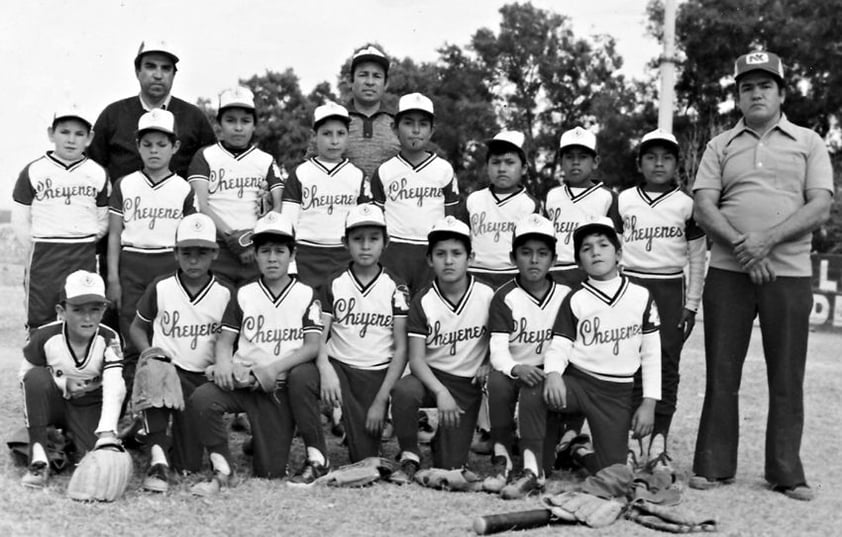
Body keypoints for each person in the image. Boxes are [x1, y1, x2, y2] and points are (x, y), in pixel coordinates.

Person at [689, 51, 832, 502]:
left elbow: (820, 205)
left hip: (787, 272)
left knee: (787, 374)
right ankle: (713, 465)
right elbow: (704, 206)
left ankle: (786, 472)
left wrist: (765, 241)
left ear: (782, 93)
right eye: (747, 87)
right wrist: (744, 247)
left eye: (765, 85)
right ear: (738, 96)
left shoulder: (809, 142)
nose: (756, 93)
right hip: (729, 271)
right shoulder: (720, 145)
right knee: (721, 372)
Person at [189, 212, 327, 496]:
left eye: (280, 251)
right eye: (265, 251)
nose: (272, 258)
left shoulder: (306, 293)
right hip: (244, 382)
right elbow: (226, 340)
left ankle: (300, 451)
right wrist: (224, 363)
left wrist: (273, 369)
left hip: (278, 387)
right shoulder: (244, 293)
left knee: (270, 472)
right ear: (256, 254)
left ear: (293, 254)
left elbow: (312, 346)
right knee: (202, 399)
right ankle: (222, 466)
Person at [541, 217, 661, 475]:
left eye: (603, 245)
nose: (595, 252)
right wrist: (552, 374)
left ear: (618, 254)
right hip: (580, 382)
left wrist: (649, 403)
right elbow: (559, 345)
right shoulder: (576, 299)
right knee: (536, 391)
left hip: (616, 393)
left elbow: (651, 354)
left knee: (614, 473)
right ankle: (538, 462)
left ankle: (577, 452)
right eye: (586, 248)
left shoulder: (641, 296)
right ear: (578, 261)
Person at [618, 129, 706, 469]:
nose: (658, 163)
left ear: (676, 163)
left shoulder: (686, 205)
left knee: (666, 366)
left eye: (666, 157)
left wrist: (692, 304)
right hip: (630, 287)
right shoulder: (623, 200)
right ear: (639, 163)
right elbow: (610, 250)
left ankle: (658, 441)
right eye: (651, 157)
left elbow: (697, 258)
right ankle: (625, 440)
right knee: (627, 363)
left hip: (670, 289)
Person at [128, 213, 233, 491]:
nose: (194, 260)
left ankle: (144, 434)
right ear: (175, 253)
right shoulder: (162, 286)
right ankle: (157, 459)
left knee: (188, 466)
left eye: (202, 252)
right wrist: (149, 352)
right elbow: (137, 328)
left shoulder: (224, 293)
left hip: (202, 380)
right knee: (154, 369)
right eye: (187, 252)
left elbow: (232, 340)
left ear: (215, 253)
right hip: (167, 372)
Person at [389, 217, 493, 483]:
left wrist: (488, 363)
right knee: (404, 390)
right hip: (431, 378)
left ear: (470, 257)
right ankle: (410, 454)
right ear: (429, 260)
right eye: (441, 254)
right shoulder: (423, 300)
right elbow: (417, 359)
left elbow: (501, 341)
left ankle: (442, 444)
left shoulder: (487, 295)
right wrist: (440, 391)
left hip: (466, 384)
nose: (449, 261)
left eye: (456, 254)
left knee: (450, 467)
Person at [483, 214, 571, 499]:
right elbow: (497, 351)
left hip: (552, 375)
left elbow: (571, 348)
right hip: (515, 371)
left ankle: (552, 451)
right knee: (496, 381)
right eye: (526, 252)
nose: (534, 260)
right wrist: (515, 368)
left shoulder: (568, 296)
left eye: (542, 253)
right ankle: (503, 454)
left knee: (546, 461)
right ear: (513, 257)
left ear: (554, 260)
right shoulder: (504, 296)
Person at [107, 109, 196, 381]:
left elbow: (190, 237)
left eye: (161, 144)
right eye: (147, 144)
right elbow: (113, 234)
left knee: (166, 330)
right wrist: (112, 277)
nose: (154, 151)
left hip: (168, 263)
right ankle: (136, 405)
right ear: (137, 146)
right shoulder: (125, 185)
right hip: (132, 262)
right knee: (132, 334)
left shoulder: (183, 188)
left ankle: (169, 395)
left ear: (175, 147)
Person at [317, 204, 410, 462]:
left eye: (373, 239)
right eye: (357, 239)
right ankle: (314, 455)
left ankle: (358, 428)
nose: (366, 246)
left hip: (376, 372)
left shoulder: (396, 286)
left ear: (386, 242)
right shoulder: (334, 282)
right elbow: (319, 336)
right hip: (340, 368)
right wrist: (325, 370)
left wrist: (382, 400)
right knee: (303, 378)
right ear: (345, 242)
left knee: (365, 457)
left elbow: (402, 349)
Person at [18, 270, 125, 488]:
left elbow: (115, 384)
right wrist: (62, 383)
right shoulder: (45, 336)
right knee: (36, 377)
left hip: (88, 405)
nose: (87, 318)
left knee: (90, 458)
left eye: (95, 309)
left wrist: (106, 432)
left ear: (104, 309)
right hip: (55, 402)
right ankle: (39, 457)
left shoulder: (109, 338)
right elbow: (24, 377)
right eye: (77, 310)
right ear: (61, 311)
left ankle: (64, 439)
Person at [11, 106, 109, 332]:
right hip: (45, 254)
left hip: (82, 252)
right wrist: (37, 243)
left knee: (82, 312)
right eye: (64, 132)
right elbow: (20, 219)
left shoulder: (96, 173)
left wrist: (85, 237)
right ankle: (36, 364)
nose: (71, 140)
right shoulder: (34, 170)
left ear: (89, 138)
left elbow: (102, 219)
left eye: (79, 134)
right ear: (51, 134)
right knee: (41, 315)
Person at [188, 86, 284, 286]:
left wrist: (251, 239)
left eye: (245, 121)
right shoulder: (205, 156)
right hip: (217, 250)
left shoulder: (265, 159)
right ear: (219, 124)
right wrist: (233, 238)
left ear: (254, 125)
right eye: (231, 120)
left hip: (254, 251)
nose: (238, 128)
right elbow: (201, 205)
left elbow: (278, 206)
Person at [371, 93, 461, 296]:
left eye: (423, 124)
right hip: (394, 251)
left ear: (432, 130)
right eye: (408, 123)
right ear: (395, 128)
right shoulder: (385, 171)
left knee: (429, 308)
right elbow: (376, 221)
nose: (416, 130)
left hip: (431, 252)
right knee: (394, 309)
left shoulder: (444, 170)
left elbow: (450, 219)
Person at [89, 39, 216, 181]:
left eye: (166, 68)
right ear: (137, 71)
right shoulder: (113, 114)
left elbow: (213, 165)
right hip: (123, 202)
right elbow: (91, 167)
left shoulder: (194, 117)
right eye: (150, 67)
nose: (158, 75)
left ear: (174, 74)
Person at [282, 102, 366, 289]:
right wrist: (291, 263)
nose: (334, 141)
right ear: (314, 136)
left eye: (340, 134)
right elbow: (288, 222)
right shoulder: (301, 173)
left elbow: (362, 224)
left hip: (344, 255)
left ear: (348, 136)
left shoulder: (356, 175)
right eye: (327, 134)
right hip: (306, 255)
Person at [544, 127, 621, 288]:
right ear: (561, 162)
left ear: (595, 162)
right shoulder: (552, 196)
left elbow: (616, 245)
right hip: (554, 274)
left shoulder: (608, 197)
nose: (575, 162)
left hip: (592, 274)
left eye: (583, 157)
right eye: (569, 157)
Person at [466, 131, 540, 289]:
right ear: (487, 167)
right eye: (496, 162)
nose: (502, 168)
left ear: (524, 168)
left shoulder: (530, 205)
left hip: (513, 277)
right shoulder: (473, 200)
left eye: (509, 162)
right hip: (475, 276)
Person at [344, 45, 400, 182]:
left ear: (386, 83)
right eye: (363, 75)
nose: (370, 82)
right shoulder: (332, 121)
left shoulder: (400, 123)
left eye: (377, 76)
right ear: (351, 81)